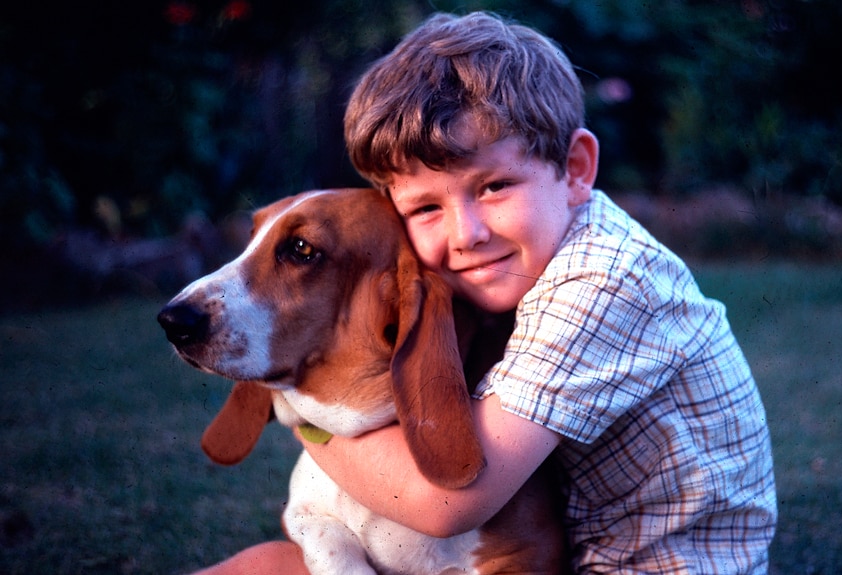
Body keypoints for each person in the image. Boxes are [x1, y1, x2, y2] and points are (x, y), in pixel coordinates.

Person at [193, 11, 777, 574]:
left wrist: (303, 408)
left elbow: (448, 503)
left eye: (495, 186)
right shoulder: (521, 265)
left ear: (575, 168)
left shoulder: (603, 285)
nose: (466, 234)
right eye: (425, 206)